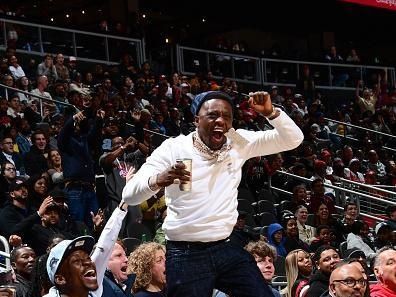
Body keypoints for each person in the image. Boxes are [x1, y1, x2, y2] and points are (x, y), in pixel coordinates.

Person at [122, 90, 304, 296]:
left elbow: (293, 140)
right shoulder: (173, 148)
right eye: (213, 115)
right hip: (186, 253)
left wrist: (271, 113)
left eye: (227, 116)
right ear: (196, 119)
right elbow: (129, 195)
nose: (221, 121)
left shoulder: (238, 141)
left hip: (226, 246)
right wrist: (157, 180)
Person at [45, 201, 129, 297]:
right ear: (61, 279)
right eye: (77, 261)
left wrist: (123, 205)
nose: (88, 263)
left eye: (88, 258)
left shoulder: (92, 292)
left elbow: (105, 244)